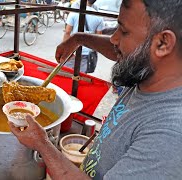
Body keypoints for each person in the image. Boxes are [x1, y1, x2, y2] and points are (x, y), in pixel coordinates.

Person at [9, 0, 182, 179]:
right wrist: (79, 39)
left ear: (163, 43)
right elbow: (124, 49)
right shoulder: (150, 72)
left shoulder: (170, 135)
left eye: (123, 31)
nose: (114, 39)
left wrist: (42, 144)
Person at [63, 0, 104, 73]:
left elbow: (67, 32)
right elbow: (99, 37)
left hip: (72, 50)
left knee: (66, 73)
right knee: (81, 76)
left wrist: (65, 48)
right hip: (87, 53)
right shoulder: (99, 17)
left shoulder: (74, 13)